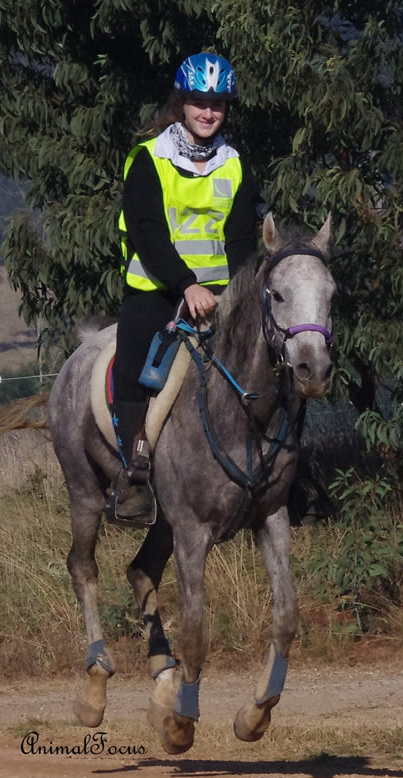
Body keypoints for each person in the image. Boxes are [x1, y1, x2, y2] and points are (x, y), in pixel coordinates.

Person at [111, 53, 261, 525]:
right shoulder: (148, 159)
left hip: (221, 297)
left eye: (217, 104)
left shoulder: (236, 166)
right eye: (199, 102)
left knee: (272, 358)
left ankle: (285, 472)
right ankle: (133, 476)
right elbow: (147, 232)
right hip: (157, 290)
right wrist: (187, 285)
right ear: (182, 103)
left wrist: (238, 295)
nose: (208, 112)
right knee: (132, 368)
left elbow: (240, 241)